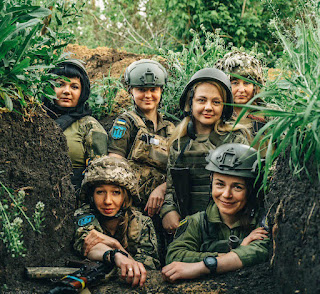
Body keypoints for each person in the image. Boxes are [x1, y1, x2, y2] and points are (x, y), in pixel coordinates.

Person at [160, 68, 249, 234]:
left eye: (216, 102)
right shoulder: (179, 144)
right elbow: (172, 189)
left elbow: (245, 191)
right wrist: (168, 211)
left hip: (227, 226)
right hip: (188, 225)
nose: (208, 107)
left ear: (225, 107)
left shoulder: (235, 140)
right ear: (190, 103)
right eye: (202, 100)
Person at [162, 143, 269, 282]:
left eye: (237, 187)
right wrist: (234, 250)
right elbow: (175, 255)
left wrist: (203, 266)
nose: (226, 194)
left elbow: (261, 249)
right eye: (220, 184)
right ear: (211, 182)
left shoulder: (261, 220)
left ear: (251, 190)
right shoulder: (197, 222)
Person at [73, 156, 160, 287]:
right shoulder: (84, 214)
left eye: (116, 192)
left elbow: (145, 272)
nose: (107, 201)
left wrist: (116, 246)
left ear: (126, 195)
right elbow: (88, 246)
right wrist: (115, 255)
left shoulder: (141, 223)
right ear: (91, 195)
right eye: (100, 192)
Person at [108, 59, 174, 217]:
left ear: (161, 91)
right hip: (132, 205)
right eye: (141, 89)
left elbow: (178, 170)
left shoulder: (170, 129)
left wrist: (161, 189)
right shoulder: (126, 123)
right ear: (131, 91)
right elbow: (115, 164)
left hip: (164, 203)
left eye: (153, 89)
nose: (148, 95)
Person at [43, 59, 108, 198]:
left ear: (82, 93)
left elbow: (101, 174)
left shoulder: (89, 125)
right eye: (60, 84)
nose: (67, 91)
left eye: (74, 87)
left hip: (77, 198)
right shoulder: (35, 118)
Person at [215, 51, 270, 154]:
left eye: (247, 83)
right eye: (235, 83)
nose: (241, 89)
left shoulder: (269, 113)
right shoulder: (217, 115)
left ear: (255, 86)